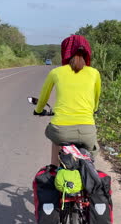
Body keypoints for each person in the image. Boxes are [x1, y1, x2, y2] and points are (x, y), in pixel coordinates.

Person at [34, 35, 101, 166]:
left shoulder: (56, 72)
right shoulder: (94, 73)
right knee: (92, 152)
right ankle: (89, 174)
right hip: (87, 130)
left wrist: (38, 110)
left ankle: (54, 169)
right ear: (87, 51)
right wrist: (95, 109)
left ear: (65, 52)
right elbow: (96, 97)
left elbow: (43, 97)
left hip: (60, 130)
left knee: (56, 140)